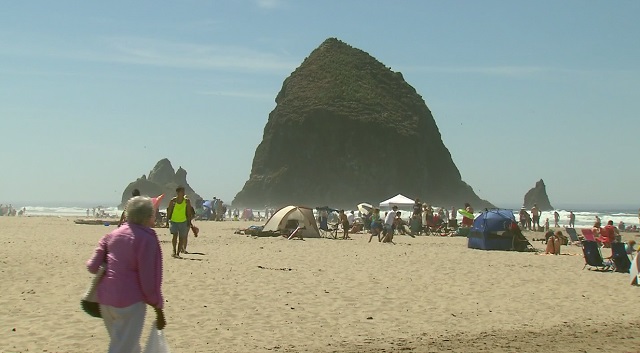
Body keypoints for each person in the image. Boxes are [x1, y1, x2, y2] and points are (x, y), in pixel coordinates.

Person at [86, 196, 165, 353]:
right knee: (124, 348)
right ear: (148, 216)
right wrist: (158, 307)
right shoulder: (147, 238)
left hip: (106, 301)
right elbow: (149, 278)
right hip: (130, 304)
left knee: (126, 345)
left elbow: (92, 266)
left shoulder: (112, 235)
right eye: (153, 214)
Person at [167, 186, 194, 258]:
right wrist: (167, 221)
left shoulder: (187, 201)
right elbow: (169, 211)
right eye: (182, 191)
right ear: (178, 192)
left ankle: (178, 253)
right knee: (175, 235)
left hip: (183, 221)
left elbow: (188, 212)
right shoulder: (173, 201)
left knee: (181, 238)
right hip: (173, 221)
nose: (183, 193)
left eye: (184, 191)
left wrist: (189, 222)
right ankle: (174, 250)